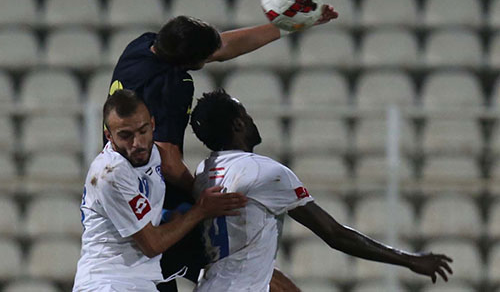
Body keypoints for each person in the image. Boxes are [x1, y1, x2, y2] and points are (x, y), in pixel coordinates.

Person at [107, 7, 338, 290]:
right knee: (251, 271)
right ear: (190, 62)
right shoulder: (172, 85)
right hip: (154, 209)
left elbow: (224, 45)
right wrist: (203, 197)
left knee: (257, 274)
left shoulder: (142, 47)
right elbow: (167, 158)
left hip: (129, 198)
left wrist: (288, 25)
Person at [189, 89, 454, 292]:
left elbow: (238, 252)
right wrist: (408, 259)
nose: (250, 119)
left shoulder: (203, 173)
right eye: (245, 114)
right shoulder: (265, 172)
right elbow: (334, 234)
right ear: (238, 124)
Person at [73, 89, 247, 291]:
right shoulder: (110, 174)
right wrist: (201, 210)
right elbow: (152, 245)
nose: (137, 143)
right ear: (109, 136)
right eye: (126, 136)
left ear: (152, 124)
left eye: (143, 131)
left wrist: (169, 215)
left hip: (140, 282)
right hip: (109, 282)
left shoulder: (154, 153)